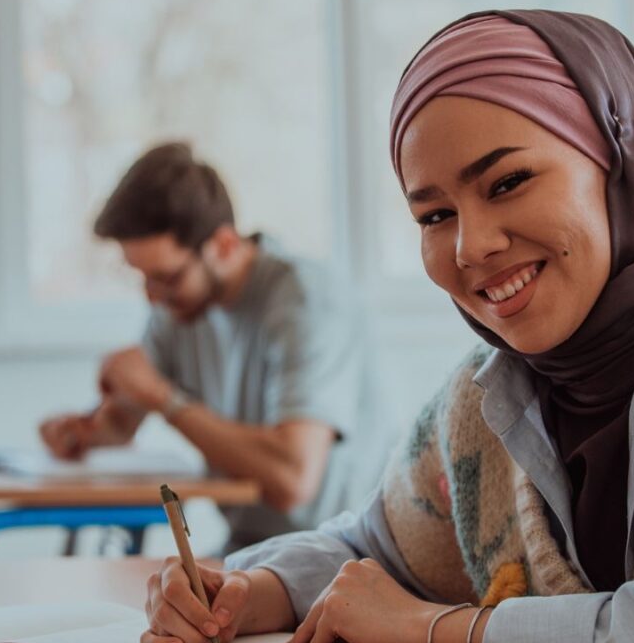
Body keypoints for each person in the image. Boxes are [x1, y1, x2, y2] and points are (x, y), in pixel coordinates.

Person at [138, 12, 634, 643]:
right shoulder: (490, 392)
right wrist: (251, 591)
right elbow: (374, 547)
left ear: (620, 155)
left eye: (507, 182)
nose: (470, 247)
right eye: (433, 216)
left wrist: (444, 633)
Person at [39, 142, 384, 551]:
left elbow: (292, 480)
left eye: (165, 277)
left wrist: (163, 398)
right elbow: (126, 419)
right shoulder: (180, 307)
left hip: (340, 555)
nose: (151, 296)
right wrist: (85, 432)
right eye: (142, 278)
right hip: (251, 548)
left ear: (223, 245)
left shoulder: (306, 302)